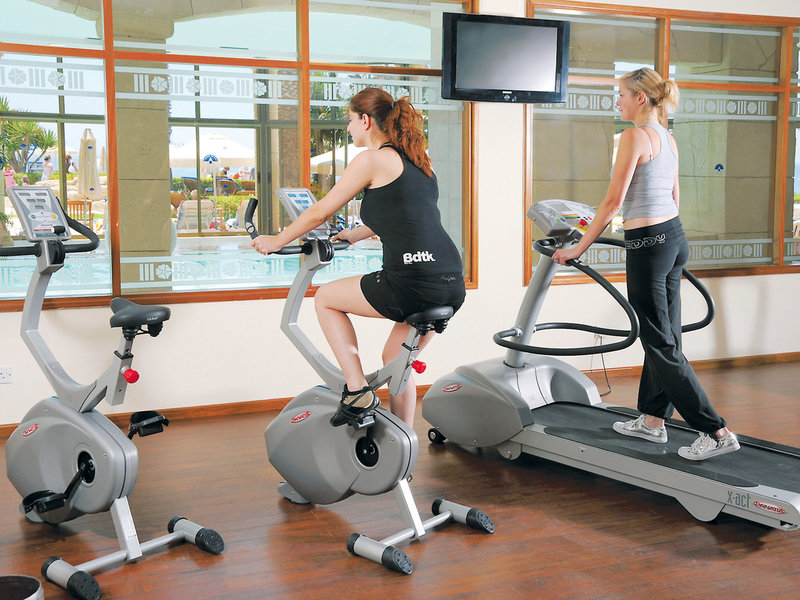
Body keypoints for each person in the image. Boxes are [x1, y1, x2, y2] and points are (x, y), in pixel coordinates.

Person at [552, 68, 739, 461]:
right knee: (667, 338)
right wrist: (665, 239)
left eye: (621, 94)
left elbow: (612, 203)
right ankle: (653, 421)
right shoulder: (667, 138)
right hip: (673, 238)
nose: (617, 101)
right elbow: (674, 194)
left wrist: (578, 248)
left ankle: (716, 431)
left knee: (658, 342)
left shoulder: (634, 136)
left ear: (640, 97)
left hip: (649, 246)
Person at [251, 87, 465, 427]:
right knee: (397, 362)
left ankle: (356, 389)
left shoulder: (370, 159)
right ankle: (405, 443)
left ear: (365, 120)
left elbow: (319, 212)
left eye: (350, 120)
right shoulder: (420, 160)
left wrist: (277, 240)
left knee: (325, 298)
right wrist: (357, 233)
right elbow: (410, 215)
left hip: (411, 282)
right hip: (450, 280)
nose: (349, 128)